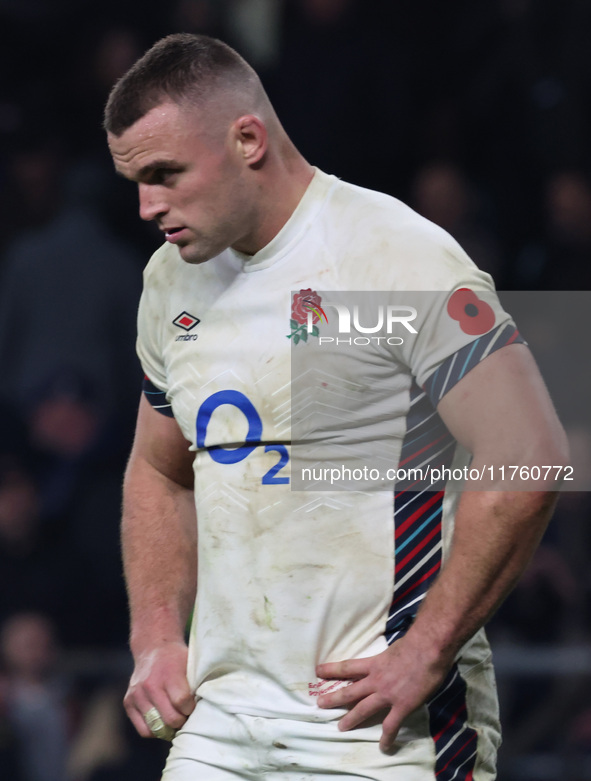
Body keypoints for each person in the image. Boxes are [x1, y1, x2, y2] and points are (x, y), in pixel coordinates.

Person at [104, 33, 568, 780]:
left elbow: (529, 456)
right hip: (220, 726)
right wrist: (155, 635)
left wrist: (425, 648)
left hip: (374, 733)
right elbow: (160, 470)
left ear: (247, 139)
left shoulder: (392, 257)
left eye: (164, 174)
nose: (146, 205)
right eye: (135, 180)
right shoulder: (170, 280)